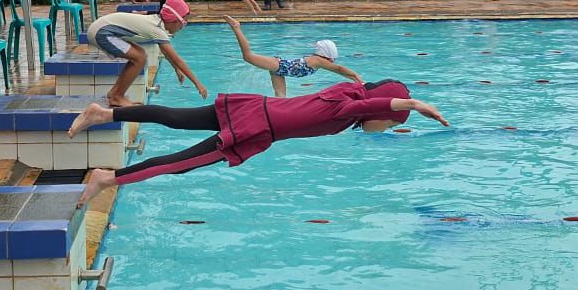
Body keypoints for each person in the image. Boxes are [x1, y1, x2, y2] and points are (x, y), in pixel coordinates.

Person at [67, 80, 450, 207]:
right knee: (178, 163)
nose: (385, 128)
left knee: (173, 117)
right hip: (253, 127)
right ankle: (106, 178)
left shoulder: (345, 96)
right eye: (389, 123)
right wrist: (414, 105)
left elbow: (369, 104)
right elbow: (372, 106)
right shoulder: (347, 106)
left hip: (252, 109)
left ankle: (103, 114)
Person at [84, 0, 206, 107]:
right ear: (174, 20)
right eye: (184, 22)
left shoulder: (156, 21)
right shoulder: (157, 30)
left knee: (140, 54)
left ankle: (114, 93)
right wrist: (197, 84)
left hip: (101, 28)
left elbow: (166, 53)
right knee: (139, 59)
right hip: (101, 32)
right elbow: (176, 59)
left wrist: (176, 69)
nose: (183, 27)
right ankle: (117, 97)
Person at [224, 16, 360, 97]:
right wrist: (358, 79)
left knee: (281, 98)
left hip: (280, 71)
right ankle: (236, 27)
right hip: (279, 65)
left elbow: (338, 69)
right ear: (328, 56)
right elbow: (339, 69)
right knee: (248, 56)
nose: (332, 62)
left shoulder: (318, 60)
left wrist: (355, 80)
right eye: (331, 60)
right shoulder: (318, 60)